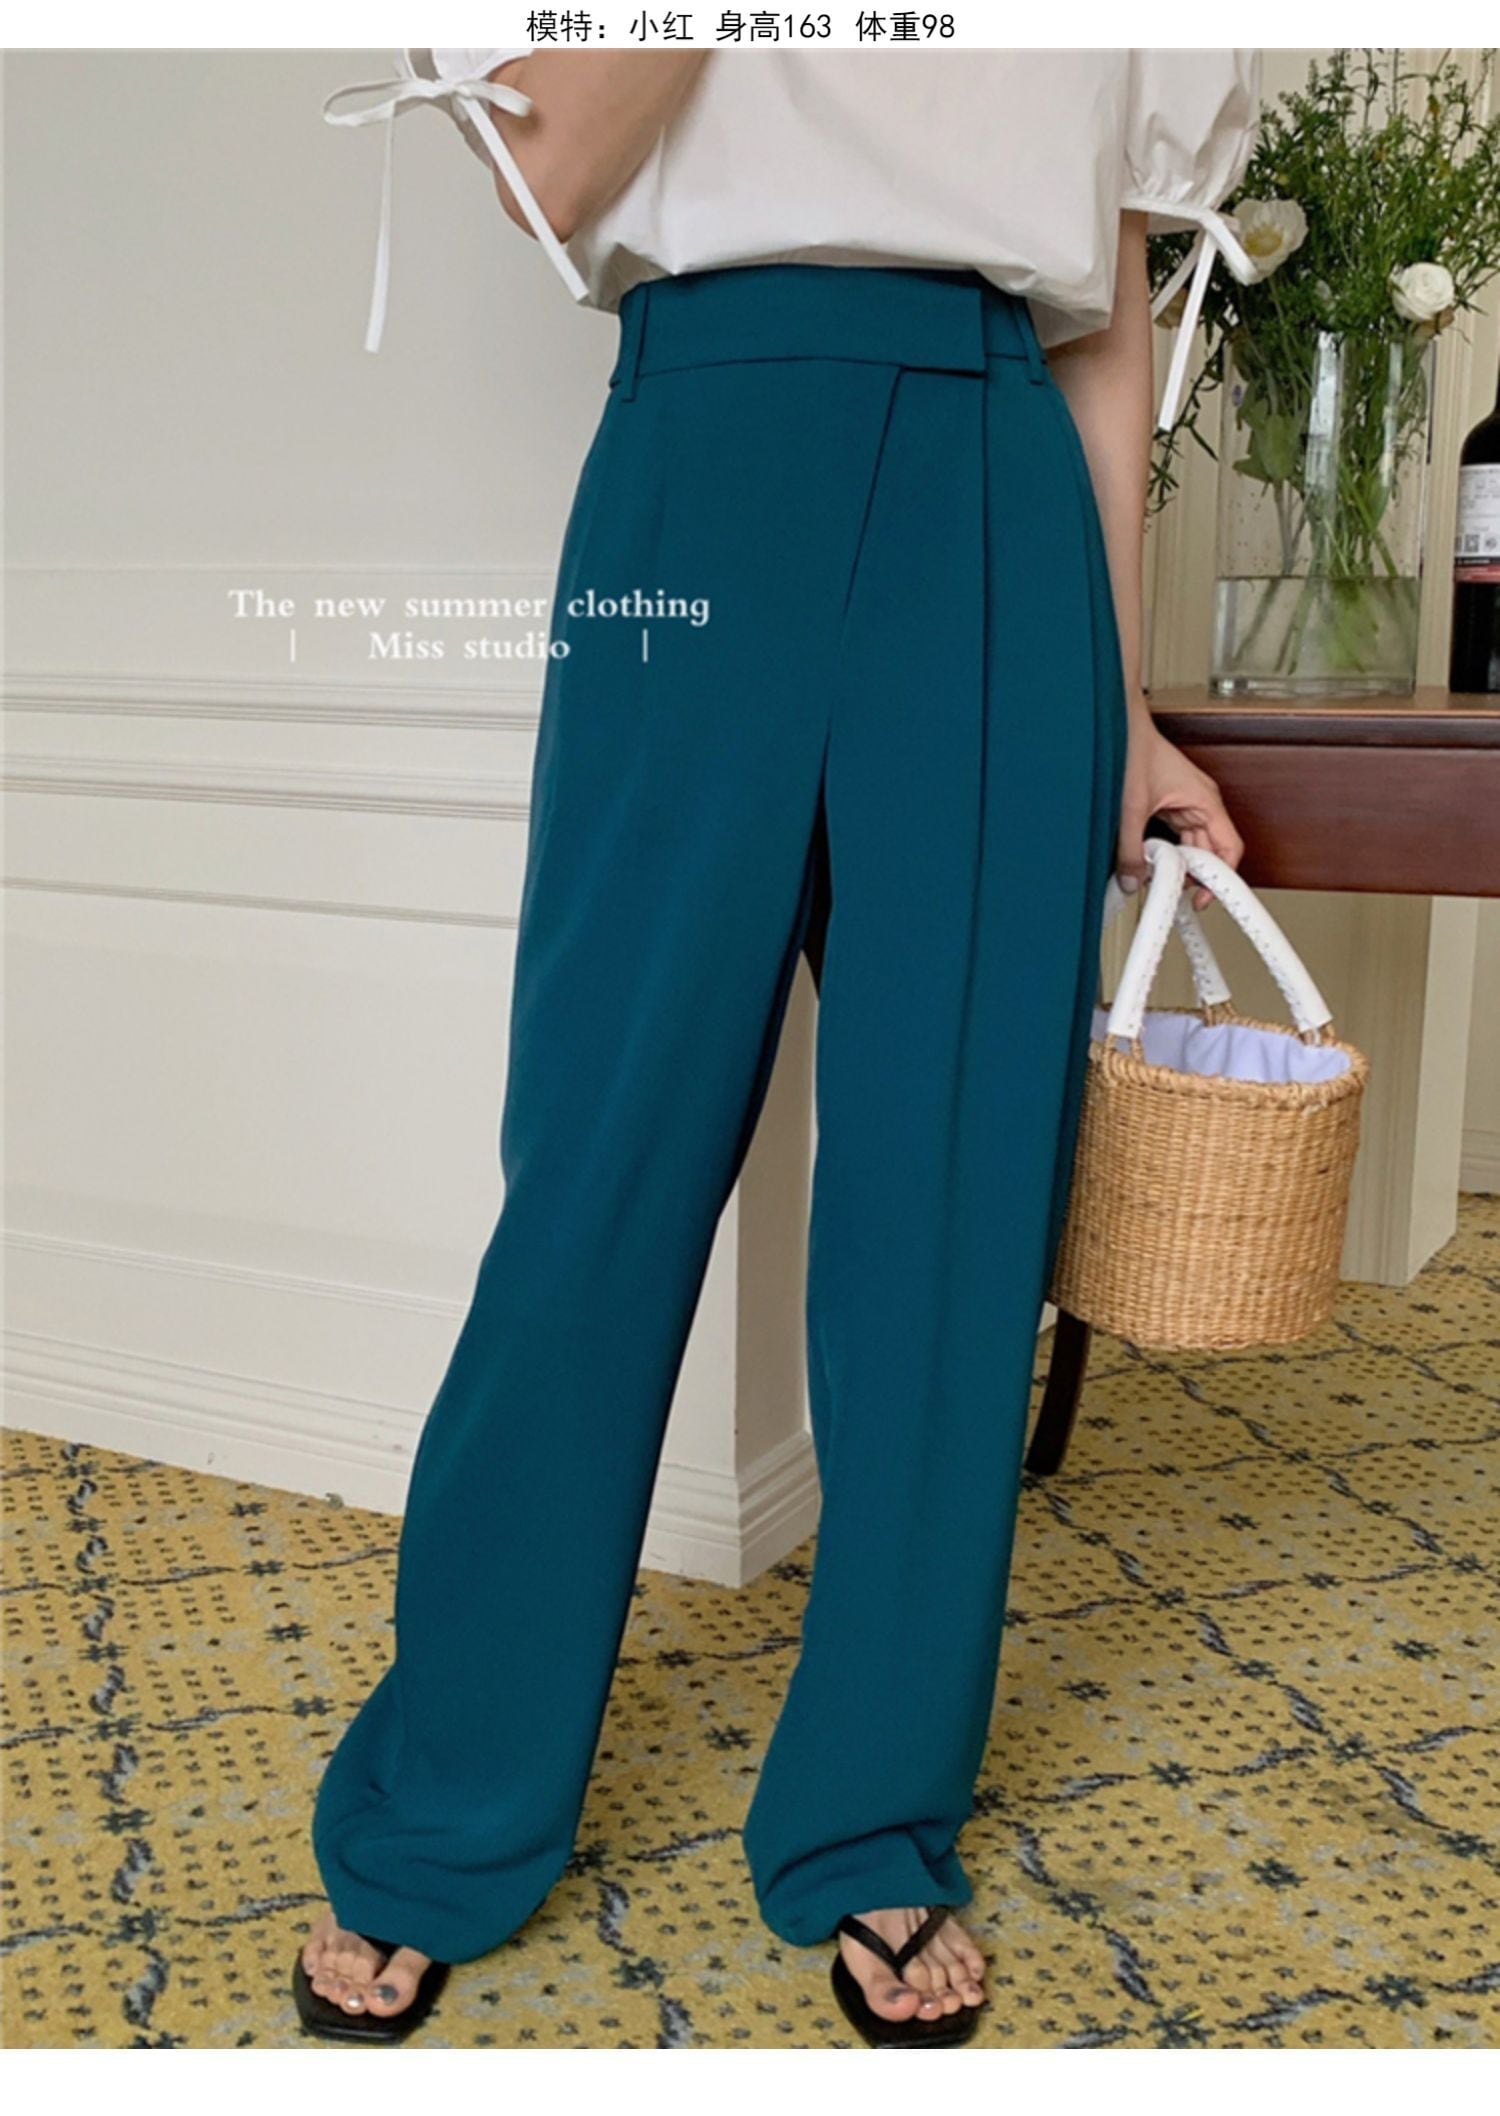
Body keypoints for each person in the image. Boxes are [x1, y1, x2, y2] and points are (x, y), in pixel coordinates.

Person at [298, 44, 1257, 2048]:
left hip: (995, 491)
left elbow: (1102, 315)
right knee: (601, 1172)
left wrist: (1126, 706)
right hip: (702, 446)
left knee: (949, 1207)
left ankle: (874, 1814)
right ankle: (446, 1805)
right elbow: (550, 172)